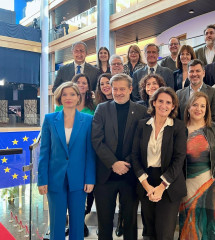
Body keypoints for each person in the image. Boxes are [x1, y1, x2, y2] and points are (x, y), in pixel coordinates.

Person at [91, 73, 147, 240]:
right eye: (115, 89)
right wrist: (113, 163)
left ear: (130, 89)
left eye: (122, 89)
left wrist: (126, 163)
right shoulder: (102, 109)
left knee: (130, 224)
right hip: (105, 175)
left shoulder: (141, 111)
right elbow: (96, 139)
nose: (118, 92)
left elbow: (142, 142)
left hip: (130, 175)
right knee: (104, 223)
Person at [38, 81, 96, 240]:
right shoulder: (50, 119)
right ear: (59, 97)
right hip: (55, 178)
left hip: (79, 179)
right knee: (57, 223)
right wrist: (42, 179)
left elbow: (90, 152)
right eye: (64, 94)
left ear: (78, 97)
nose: (68, 97)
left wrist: (90, 178)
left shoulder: (88, 120)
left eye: (72, 94)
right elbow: (44, 152)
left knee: (77, 222)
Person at [131, 87, 187, 240]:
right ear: (153, 102)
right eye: (160, 101)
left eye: (168, 102)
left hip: (169, 183)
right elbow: (135, 156)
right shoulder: (142, 125)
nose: (164, 105)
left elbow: (179, 159)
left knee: (164, 233)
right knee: (149, 232)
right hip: (146, 181)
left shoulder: (178, 127)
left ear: (173, 106)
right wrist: (146, 185)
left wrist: (162, 187)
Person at [179, 92, 215, 240]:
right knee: (190, 226)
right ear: (188, 108)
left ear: (207, 110)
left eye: (202, 106)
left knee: (212, 226)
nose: (198, 109)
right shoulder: (179, 129)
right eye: (195, 105)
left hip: (211, 186)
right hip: (186, 187)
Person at [176, 59, 215, 124]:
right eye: (191, 71)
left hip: (205, 133)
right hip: (184, 132)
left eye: (198, 71)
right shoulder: (179, 94)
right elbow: (177, 119)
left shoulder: (213, 92)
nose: (194, 74)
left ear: (203, 73)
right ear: (188, 74)